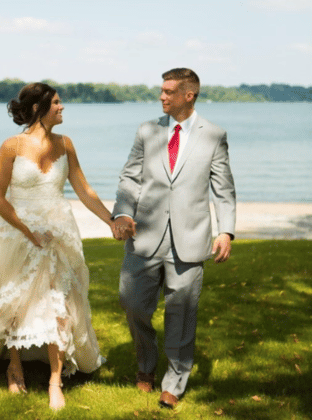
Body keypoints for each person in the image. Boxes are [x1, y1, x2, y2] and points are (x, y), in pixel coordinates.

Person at [0, 82, 114, 411]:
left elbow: (84, 189)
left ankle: (55, 380)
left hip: (59, 233)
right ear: (38, 108)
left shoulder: (66, 144)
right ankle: (14, 368)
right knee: (17, 303)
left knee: (60, 301)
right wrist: (29, 231)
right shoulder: (11, 146)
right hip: (18, 233)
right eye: (57, 103)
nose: (62, 108)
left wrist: (112, 220)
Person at [112, 68, 236, 409]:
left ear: (188, 95)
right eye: (161, 91)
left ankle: (174, 381)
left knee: (182, 312)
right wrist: (122, 212)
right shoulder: (147, 131)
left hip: (190, 238)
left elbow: (223, 189)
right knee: (132, 302)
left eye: (168, 92)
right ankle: (145, 364)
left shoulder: (214, 135)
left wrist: (225, 230)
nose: (162, 97)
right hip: (144, 235)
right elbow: (129, 177)